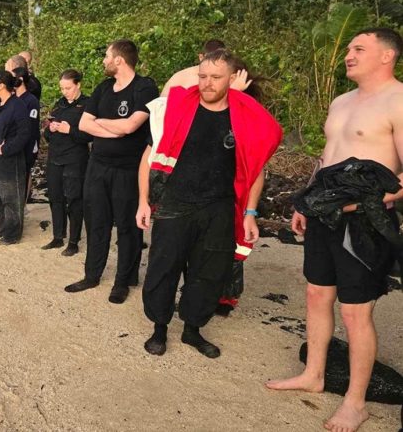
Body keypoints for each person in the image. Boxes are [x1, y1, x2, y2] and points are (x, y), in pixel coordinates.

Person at [266, 28, 403, 432]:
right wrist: (306, 201)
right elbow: (327, 158)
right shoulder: (341, 101)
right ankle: (314, 373)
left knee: (355, 312)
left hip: (365, 219)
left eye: (359, 48)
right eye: (348, 48)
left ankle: (356, 402)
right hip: (324, 214)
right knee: (315, 294)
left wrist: (374, 201)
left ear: (387, 56)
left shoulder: (399, 100)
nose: (348, 55)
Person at [136, 49, 281, 359]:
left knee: (207, 273)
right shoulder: (174, 109)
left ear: (232, 79)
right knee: (163, 268)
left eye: (216, 77)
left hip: (218, 208)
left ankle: (192, 330)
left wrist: (251, 213)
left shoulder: (243, 118)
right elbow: (147, 158)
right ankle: (159, 328)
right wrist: (143, 202)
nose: (207, 83)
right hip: (175, 202)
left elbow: (255, 171)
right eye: (203, 76)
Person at [64, 39, 158, 304]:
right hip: (98, 166)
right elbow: (84, 123)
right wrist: (115, 127)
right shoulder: (104, 87)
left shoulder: (145, 87)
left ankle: (123, 281)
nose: (104, 61)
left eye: (107, 56)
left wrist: (104, 123)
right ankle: (91, 275)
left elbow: (131, 126)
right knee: (96, 222)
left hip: (128, 170)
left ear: (119, 59)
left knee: (128, 228)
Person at [42, 69, 92, 257]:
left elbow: (89, 135)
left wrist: (69, 130)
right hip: (55, 157)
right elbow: (46, 133)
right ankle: (58, 236)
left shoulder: (87, 105)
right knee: (55, 198)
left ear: (78, 85)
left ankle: (73, 241)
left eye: (68, 88)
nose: (65, 92)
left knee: (74, 199)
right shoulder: (58, 105)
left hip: (75, 159)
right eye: (62, 88)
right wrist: (51, 128)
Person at [0, 70, 31, 245]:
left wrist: (7, 148)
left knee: (11, 198)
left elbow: (25, 134)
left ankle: (11, 235)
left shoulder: (18, 106)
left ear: (2, 85)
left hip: (11, 159)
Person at [11, 66, 41, 200]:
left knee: (25, 173)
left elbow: (31, 127)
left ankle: (23, 203)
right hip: (13, 144)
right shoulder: (12, 99)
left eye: (13, 78)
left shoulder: (31, 100)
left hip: (27, 144)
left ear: (21, 79)